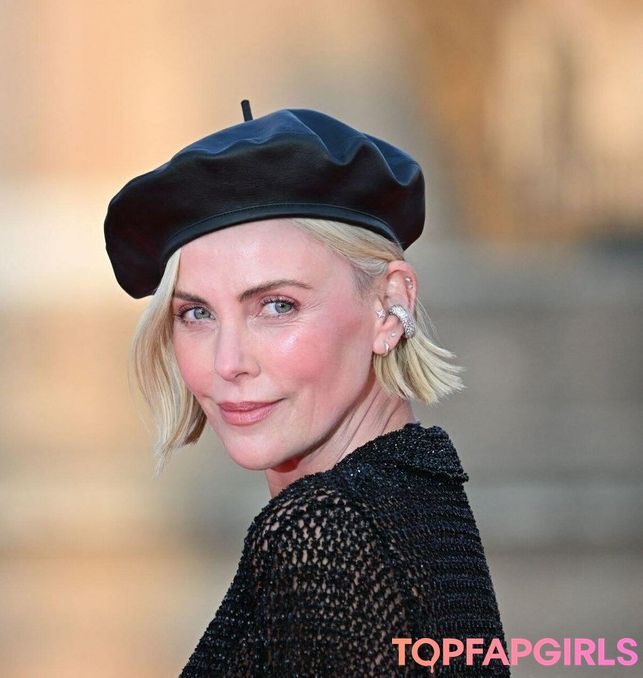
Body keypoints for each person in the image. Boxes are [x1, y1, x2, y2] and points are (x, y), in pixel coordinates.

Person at [104, 106, 508, 675]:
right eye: (196, 313)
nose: (228, 363)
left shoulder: (324, 532)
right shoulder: (418, 490)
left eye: (277, 306)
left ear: (390, 305)